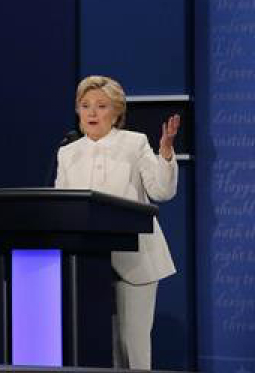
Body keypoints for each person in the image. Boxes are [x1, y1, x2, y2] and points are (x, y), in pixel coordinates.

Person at [55, 75, 180, 370]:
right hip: (86, 262)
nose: (92, 113)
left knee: (132, 346)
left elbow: (162, 192)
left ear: (117, 113)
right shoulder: (67, 152)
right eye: (85, 106)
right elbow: (62, 206)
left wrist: (165, 153)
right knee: (99, 347)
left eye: (101, 106)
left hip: (136, 259)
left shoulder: (134, 143)